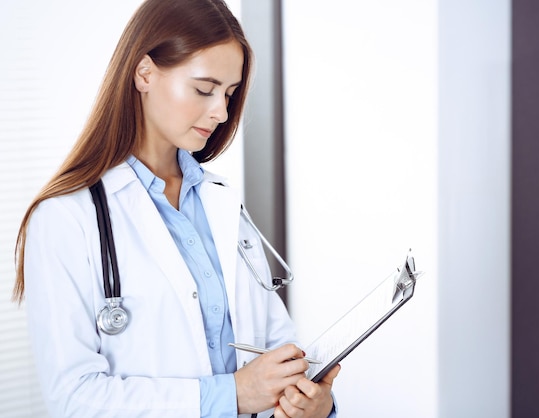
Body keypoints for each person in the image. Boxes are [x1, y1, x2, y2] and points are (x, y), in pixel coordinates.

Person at [12, 0, 340, 417]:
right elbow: (74, 398)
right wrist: (230, 396)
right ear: (144, 73)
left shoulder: (221, 202)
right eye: (205, 89)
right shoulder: (65, 219)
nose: (221, 111)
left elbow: (276, 347)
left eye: (229, 93)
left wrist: (312, 404)